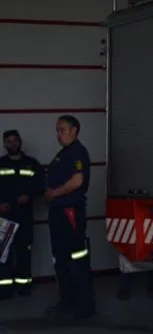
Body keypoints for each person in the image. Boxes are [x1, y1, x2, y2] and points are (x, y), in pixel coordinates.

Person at [44, 116, 95, 319]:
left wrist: (54, 194)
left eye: (62, 130)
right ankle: (67, 302)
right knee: (61, 259)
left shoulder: (77, 152)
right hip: (58, 212)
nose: (58, 134)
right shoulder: (63, 153)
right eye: (57, 130)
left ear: (74, 131)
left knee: (76, 259)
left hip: (70, 212)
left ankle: (84, 305)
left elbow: (77, 180)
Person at [0, 130, 42, 299]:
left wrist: (29, 196)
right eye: (9, 141)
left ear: (20, 141)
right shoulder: (0, 164)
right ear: (4, 144)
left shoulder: (32, 164)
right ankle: (4, 290)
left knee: (24, 252)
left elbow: (40, 185)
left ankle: (24, 287)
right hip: (4, 217)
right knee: (4, 254)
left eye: (15, 140)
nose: (12, 144)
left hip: (24, 216)